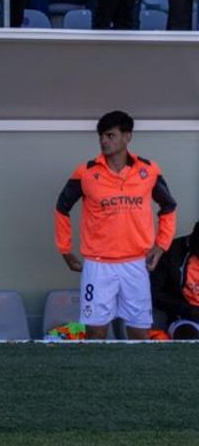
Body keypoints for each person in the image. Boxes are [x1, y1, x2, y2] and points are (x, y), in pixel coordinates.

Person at [55, 110, 177, 340]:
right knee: (95, 329)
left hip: (136, 264)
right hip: (98, 265)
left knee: (139, 330)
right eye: (101, 136)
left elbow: (169, 207)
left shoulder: (148, 171)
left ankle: (136, 374)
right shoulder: (86, 173)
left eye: (110, 135)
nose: (104, 141)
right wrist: (64, 249)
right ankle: (97, 375)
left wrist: (161, 246)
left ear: (127, 136)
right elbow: (62, 208)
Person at [150, 219, 199, 336]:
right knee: (187, 335)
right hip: (185, 319)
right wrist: (186, 310)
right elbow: (154, 293)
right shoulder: (174, 252)